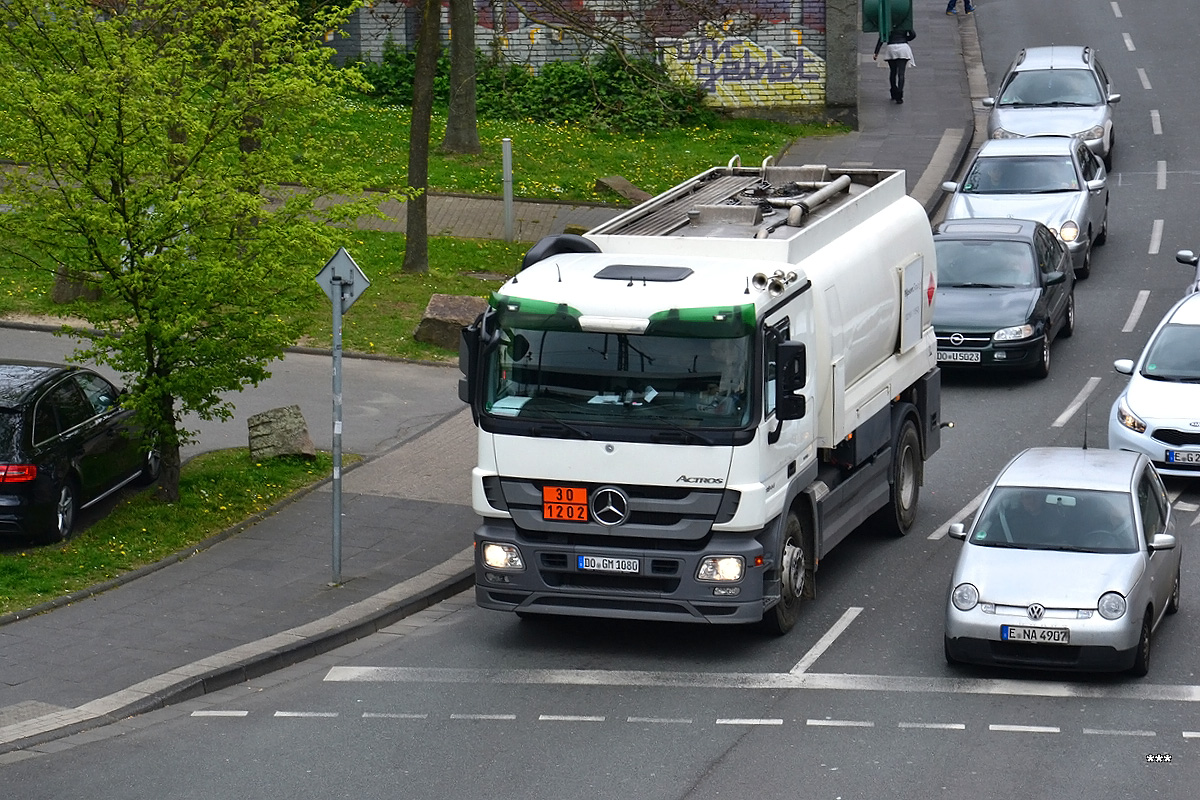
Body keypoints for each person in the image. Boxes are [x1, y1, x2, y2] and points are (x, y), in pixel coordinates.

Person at [873, 27, 916, 104]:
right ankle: (899, 95)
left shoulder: (887, 22)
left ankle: (893, 91)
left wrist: (876, 52)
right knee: (901, 73)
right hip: (903, 47)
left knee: (893, 72)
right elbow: (913, 35)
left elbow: (881, 38)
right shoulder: (904, 22)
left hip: (891, 47)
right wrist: (905, 38)